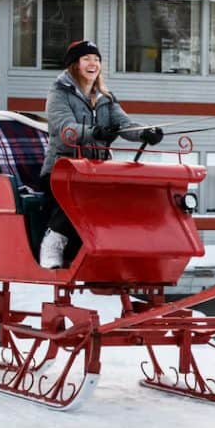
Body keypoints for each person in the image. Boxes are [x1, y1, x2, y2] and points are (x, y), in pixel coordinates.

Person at [38, 39, 164, 268]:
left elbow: (124, 125)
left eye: (96, 59)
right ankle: (53, 241)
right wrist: (94, 132)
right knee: (83, 194)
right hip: (62, 170)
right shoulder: (59, 93)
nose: (93, 63)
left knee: (121, 194)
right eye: (86, 59)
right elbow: (65, 129)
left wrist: (146, 132)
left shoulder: (105, 97)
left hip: (97, 170)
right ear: (75, 65)